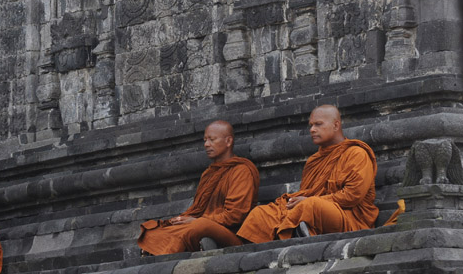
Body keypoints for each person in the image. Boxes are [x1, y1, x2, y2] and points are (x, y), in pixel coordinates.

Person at [236, 104, 378, 243]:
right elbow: (307, 192)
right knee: (262, 212)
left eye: (318, 124)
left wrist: (309, 201)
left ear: (336, 125)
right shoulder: (314, 160)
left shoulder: (357, 154)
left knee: (311, 205)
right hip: (314, 210)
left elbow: (352, 196)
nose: (312, 130)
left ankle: (296, 231)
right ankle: (290, 234)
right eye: (311, 125)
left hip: (349, 217)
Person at [137, 120, 260, 255]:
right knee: (155, 228)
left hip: (231, 233)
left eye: (212, 139)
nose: (206, 144)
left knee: (199, 226)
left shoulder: (241, 171)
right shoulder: (208, 173)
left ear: (228, 141)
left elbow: (235, 216)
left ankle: (197, 242)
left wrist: (198, 220)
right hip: (201, 225)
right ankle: (200, 243)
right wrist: (182, 219)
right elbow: (197, 209)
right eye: (205, 140)